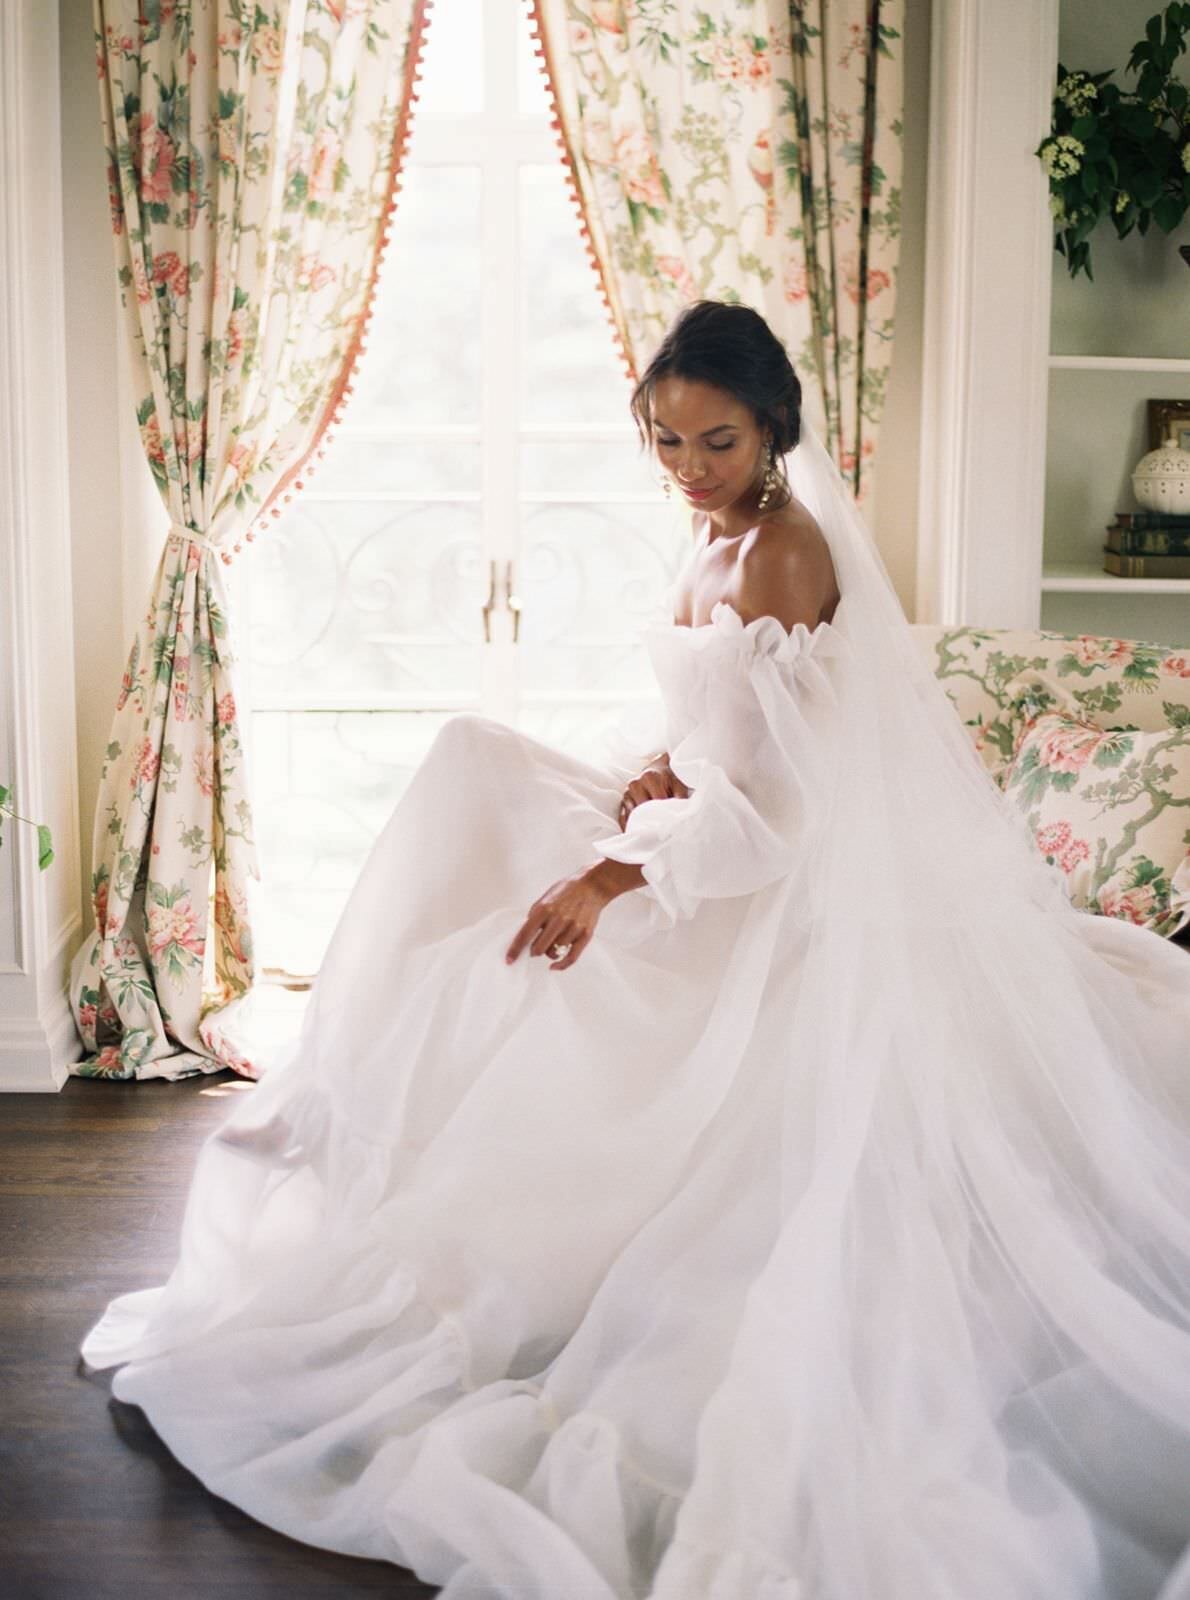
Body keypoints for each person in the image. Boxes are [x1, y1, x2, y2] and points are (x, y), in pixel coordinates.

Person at [80, 301, 1190, 1600]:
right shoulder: (706, 540)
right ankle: (368, 1139)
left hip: (760, 878)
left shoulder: (782, 551)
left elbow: (781, 809)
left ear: (772, 424)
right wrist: (662, 767)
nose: (687, 467)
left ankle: (484, 1212)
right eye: (662, 442)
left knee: (532, 924)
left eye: (713, 440)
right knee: (475, 772)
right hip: (692, 822)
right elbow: (720, 726)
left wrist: (614, 877)